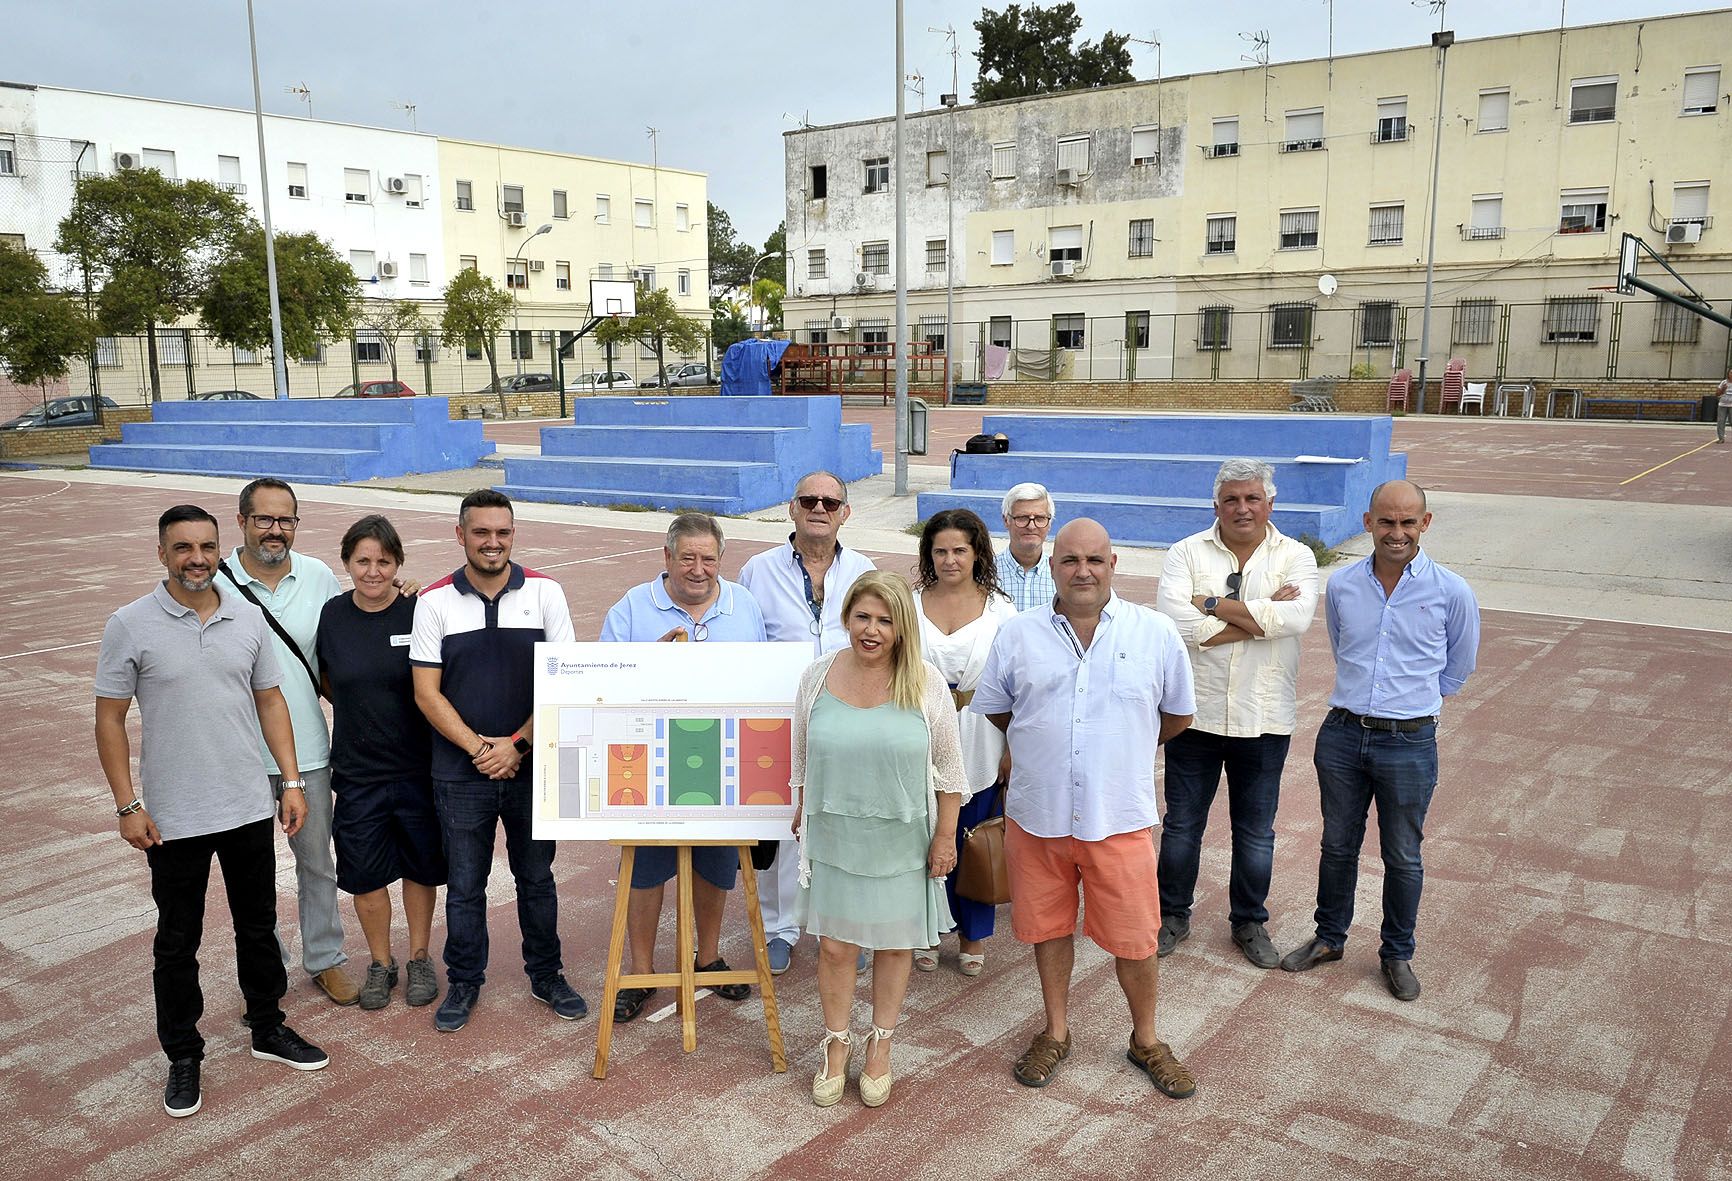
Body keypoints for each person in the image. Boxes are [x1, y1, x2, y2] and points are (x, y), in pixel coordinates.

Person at [95, 505, 329, 1120]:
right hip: (172, 816)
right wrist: (128, 804)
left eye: (205, 547)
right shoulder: (130, 625)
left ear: (219, 548)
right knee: (179, 940)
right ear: (162, 553)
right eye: (182, 548)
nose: (196, 559)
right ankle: (183, 1053)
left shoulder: (246, 617)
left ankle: (267, 1025)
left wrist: (293, 782)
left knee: (258, 926)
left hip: (248, 803)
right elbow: (110, 719)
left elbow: (272, 702)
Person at [972, 519, 1198, 1099]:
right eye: (1070, 560)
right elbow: (1000, 710)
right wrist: (1044, 746)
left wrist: (1115, 752)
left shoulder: (1156, 633)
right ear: (1053, 566)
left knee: (1137, 938)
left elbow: (1174, 717)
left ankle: (1146, 1039)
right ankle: (1056, 1031)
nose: (1083, 571)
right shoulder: (1018, 635)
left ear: (1113, 564)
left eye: (1095, 560)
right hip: (1037, 816)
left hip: (1117, 817)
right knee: (1048, 930)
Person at [1280, 480, 1480, 1002]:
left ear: (1425, 524)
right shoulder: (1343, 586)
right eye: (1386, 522)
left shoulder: (1452, 591)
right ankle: (1329, 939)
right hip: (1343, 735)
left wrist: (1411, 706)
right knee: (1337, 846)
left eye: (1407, 522)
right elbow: (1345, 647)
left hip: (1410, 744)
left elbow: (1458, 667)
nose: (1397, 533)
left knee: (1403, 855)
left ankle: (1396, 953)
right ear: (1368, 522)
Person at [410, 489, 586, 1031]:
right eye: (481, 532)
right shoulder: (434, 601)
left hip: (533, 768)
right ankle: (464, 981)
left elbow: (566, 680)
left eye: (502, 532)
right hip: (461, 775)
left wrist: (518, 746)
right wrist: (483, 750)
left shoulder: (547, 593)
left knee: (537, 878)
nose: (493, 542)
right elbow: (426, 693)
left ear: (514, 534)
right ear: (460, 535)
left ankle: (547, 973)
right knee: (466, 885)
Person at [790, 572, 967, 1108]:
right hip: (836, 833)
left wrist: (945, 837)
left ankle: (881, 1045)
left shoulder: (926, 681)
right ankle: (836, 1044)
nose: (872, 630)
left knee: (894, 945)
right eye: (862, 617)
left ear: (902, 626)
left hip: (902, 837)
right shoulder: (817, 677)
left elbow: (949, 769)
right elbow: (800, 750)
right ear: (846, 617)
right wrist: (801, 805)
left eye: (885, 620)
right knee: (837, 948)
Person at [600, 513, 768, 1022]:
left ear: (721, 560)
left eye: (708, 559)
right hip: (649, 761)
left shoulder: (745, 606)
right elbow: (603, 684)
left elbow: (763, 679)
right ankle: (642, 972)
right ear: (667, 557)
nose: (698, 569)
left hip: (725, 760)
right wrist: (649, 664)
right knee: (646, 870)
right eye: (688, 558)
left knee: (717, 864)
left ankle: (709, 955)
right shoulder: (631, 607)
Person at [1153, 459, 1319, 968]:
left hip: (1264, 719)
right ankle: (1171, 915)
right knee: (1182, 826)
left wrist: (1211, 604)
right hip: (1194, 717)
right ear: (1216, 505)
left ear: (1270, 503)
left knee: (1256, 831)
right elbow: (1173, 625)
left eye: (1252, 498)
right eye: (1232, 499)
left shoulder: (1297, 556)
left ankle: (1249, 921)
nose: (1242, 508)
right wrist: (1260, 613)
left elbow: (1298, 617)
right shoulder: (1185, 551)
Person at [217, 479, 355, 1005]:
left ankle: (325, 958)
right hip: (237, 754)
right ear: (242, 521)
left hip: (309, 750)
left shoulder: (318, 575)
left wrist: (401, 595)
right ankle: (265, 968)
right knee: (251, 871)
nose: (275, 530)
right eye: (264, 519)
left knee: (317, 859)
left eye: (285, 520)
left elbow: (339, 647)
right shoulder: (216, 580)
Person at [738, 471, 875, 975]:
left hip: (849, 715)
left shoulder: (863, 569)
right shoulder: (758, 569)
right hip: (779, 718)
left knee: (849, 824)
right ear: (792, 508)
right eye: (808, 500)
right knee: (784, 822)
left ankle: (846, 927)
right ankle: (780, 928)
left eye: (830, 501)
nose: (819, 508)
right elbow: (747, 640)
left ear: (845, 513)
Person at [316, 514, 447, 1011]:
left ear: (399, 564)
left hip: (417, 768)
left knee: (419, 868)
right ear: (347, 562)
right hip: (357, 772)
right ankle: (380, 962)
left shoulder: (421, 611)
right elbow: (327, 679)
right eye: (363, 561)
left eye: (384, 561)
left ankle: (417, 957)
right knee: (366, 875)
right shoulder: (332, 616)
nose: (373, 571)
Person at [911, 508, 1016, 977]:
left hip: (982, 731)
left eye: (959, 550)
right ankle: (928, 931)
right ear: (928, 555)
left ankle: (973, 935)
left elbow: (1019, 684)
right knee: (924, 836)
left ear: (977, 553)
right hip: (919, 730)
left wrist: (1013, 746)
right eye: (940, 551)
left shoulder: (1002, 611)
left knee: (974, 836)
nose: (950, 559)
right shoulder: (908, 604)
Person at [995, 482, 1057, 613]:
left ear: (1049, 523)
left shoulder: (1060, 575)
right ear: (1006, 520)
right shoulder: (986, 573)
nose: (1031, 526)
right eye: (1022, 518)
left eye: (1040, 518)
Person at [1715, 367, 1732, 444]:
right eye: (1731, 373)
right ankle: (1721, 438)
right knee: (1721, 422)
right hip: (1723, 405)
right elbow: (1717, 394)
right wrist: (1723, 390)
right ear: (1728, 374)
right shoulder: (1723, 382)